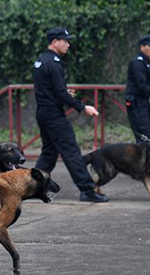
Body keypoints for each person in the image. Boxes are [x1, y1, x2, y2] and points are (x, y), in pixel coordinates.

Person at [32, 27, 109, 203]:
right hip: (53, 115)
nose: (68, 44)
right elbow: (60, 93)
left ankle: (32, 186)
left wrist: (63, 93)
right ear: (54, 42)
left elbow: (50, 89)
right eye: (65, 41)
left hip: (43, 112)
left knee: (49, 153)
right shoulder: (54, 63)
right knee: (71, 152)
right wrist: (83, 107)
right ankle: (87, 189)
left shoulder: (41, 61)